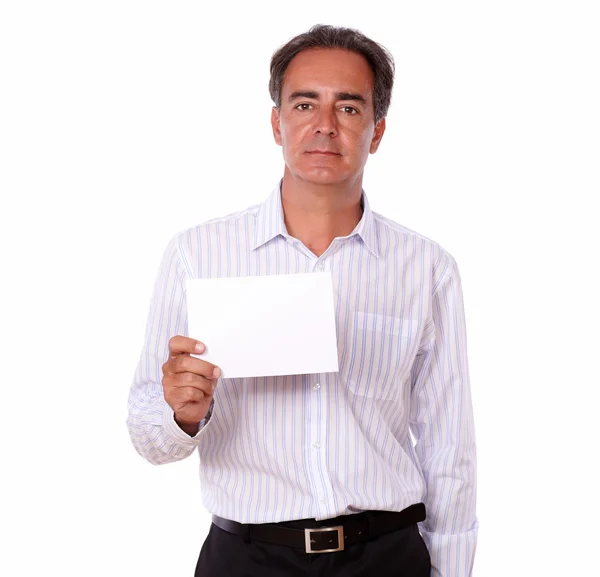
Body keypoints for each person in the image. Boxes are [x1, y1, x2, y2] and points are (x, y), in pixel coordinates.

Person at [127, 23, 478, 577]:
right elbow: (148, 437)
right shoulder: (197, 255)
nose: (324, 126)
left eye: (349, 108)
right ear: (277, 122)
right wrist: (181, 414)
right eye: (305, 103)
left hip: (386, 557)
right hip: (245, 560)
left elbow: (449, 448)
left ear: (377, 131)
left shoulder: (427, 269)